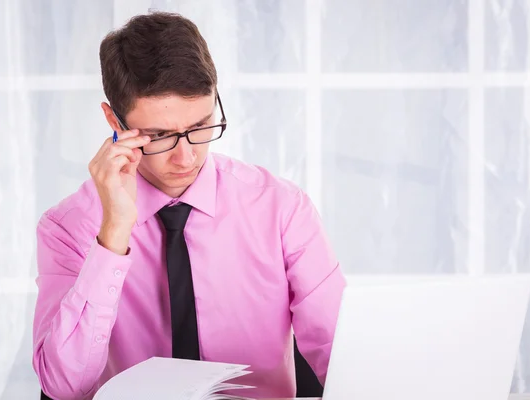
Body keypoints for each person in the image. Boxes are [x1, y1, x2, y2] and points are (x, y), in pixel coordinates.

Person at [32, 11, 346, 400]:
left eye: (200, 126)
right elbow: (63, 386)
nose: (186, 157)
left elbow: (343, 356)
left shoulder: (282, 209)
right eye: (159, 135)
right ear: (114, 120)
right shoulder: (67, 228)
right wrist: (113, 233)